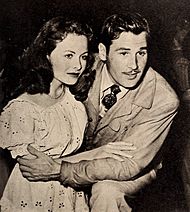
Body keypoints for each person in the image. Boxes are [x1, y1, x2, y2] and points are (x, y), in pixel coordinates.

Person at [18, 13, 179, 211]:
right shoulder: (81, 64)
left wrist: (61, 170)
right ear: (103, 52)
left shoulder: (164, 99)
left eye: (141, 52)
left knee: (106, 191)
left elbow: (128, 165)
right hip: (73, 157)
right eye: (124, 53)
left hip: (133, 167)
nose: (134, 66)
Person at [0, 16, 135, 212]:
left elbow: (65, 158)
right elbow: (33, 168)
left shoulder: (73, 100)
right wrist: (99, 153)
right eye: (68, 55)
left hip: (70, 192)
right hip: (34, 197)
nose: (78, 66)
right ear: (47, 55)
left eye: (83, 57)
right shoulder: (22, 109)